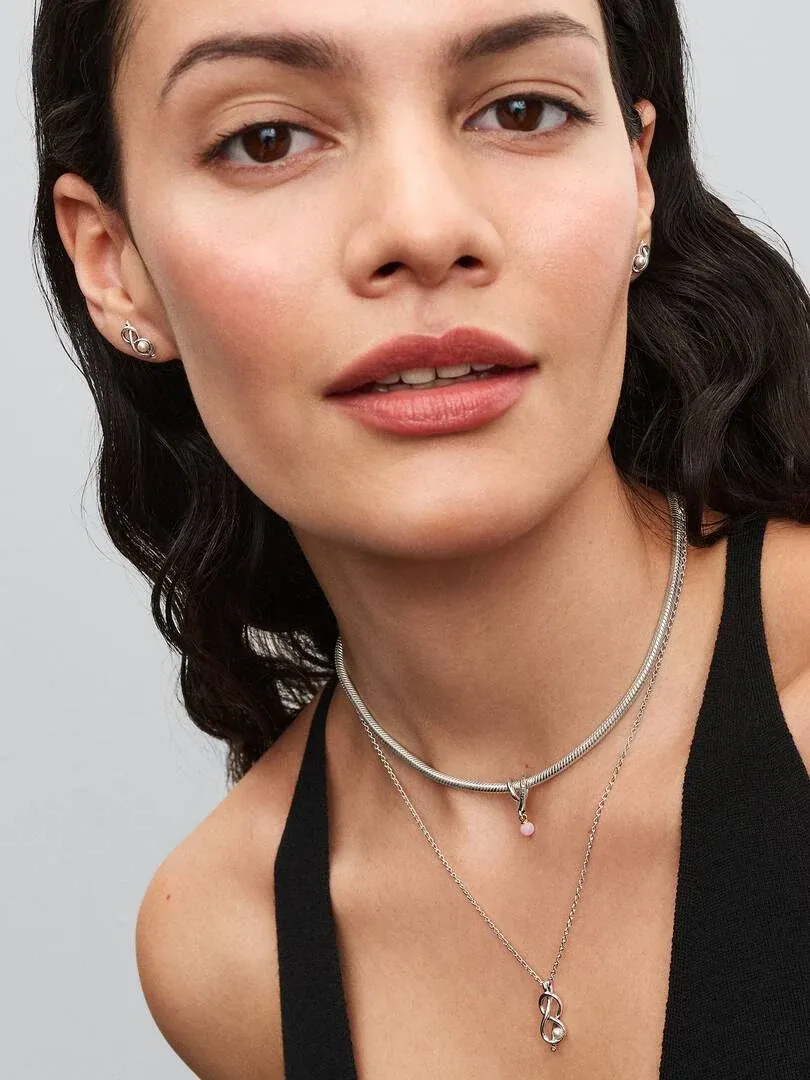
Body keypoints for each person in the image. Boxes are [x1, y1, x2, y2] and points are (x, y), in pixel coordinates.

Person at [31, 0, 810, 1075]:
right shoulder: (231, 945)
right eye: (267, 139)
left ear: (637, 176)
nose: (423, 228)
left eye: (524, 110)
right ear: (112, 260)